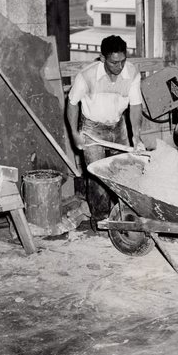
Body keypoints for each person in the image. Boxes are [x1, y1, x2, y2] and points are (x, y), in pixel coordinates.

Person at [67, 35, 146, 224]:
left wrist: (136, 135)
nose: (119, 67)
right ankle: (101, 221)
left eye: (122, 61)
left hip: (118, 125)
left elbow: (135, 106)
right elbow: (72, 104)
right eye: (114, 62)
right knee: (98, 176)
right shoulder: (86, 76)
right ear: (102, 58)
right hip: (92, 128)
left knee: (125, 171)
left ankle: (124, 215)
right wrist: (75, 134)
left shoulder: (132, 73)